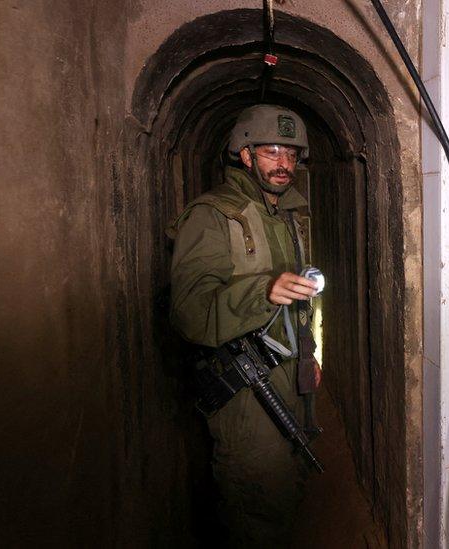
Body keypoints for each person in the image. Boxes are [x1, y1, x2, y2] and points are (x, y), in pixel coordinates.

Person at [167, 104, 322, 547]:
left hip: (292, 374)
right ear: (246, 155)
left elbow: (306, 298)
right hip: (245, 385)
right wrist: (261, 292)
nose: (284, 164)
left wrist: (312, 356)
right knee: (255, 500)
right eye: (271, 151)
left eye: (291, 154)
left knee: (288, 482)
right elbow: (189, 312)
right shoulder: (213, 215)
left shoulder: (291, 214)